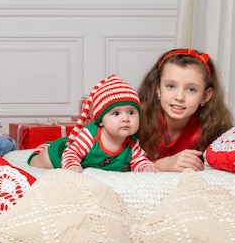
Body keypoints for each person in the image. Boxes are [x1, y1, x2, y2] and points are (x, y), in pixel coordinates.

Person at [28, 74, 158, 173]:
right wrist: (72, 165)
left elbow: (138, 159)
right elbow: (72, 152)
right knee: (40, 164)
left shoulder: (132, 142)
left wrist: (145, 167)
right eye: (116, 114)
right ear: (101, 121)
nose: (126, 119)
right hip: (60, 154)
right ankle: (39, 154)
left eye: (131, 112)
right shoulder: (91, 134)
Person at [137, 48, 234, 172]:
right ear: (158, 89)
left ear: (205, 96)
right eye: (171, 86)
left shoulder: (211, 128)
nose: (179, 97)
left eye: (191, 89)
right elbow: (116, 164)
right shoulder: (137, 119)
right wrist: (162, 164)